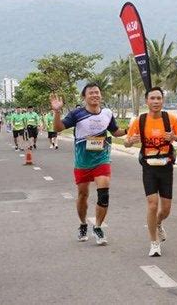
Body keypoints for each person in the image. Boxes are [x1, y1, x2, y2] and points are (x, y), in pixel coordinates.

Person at [50, 83, 127, 245]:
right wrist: (57, 111)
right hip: (82, 162)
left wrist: (130, 130)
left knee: (104, 193)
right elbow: (57, 128)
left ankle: (98, 227)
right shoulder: (77, 114)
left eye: (97, 92)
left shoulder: (107, 113)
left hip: (102, 159)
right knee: (83, 195)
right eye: (91, 93)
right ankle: (83, 224)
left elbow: (115, 132)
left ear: (101, 95)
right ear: (84, 97)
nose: (94, 95)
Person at [125, 86, 177, 257]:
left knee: (166, 209)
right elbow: (126, 143)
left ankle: (159, 223)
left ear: (163, 101)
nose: (155, 101)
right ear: (146, 101)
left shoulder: (171, 119)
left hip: (166, 166)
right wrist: (131, 141)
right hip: (148, 167)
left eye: (158, 98)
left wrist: (174, 138)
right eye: (152, 98)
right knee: (152, 204)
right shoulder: (140, 121)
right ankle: (154, 242)